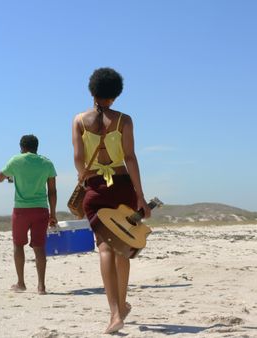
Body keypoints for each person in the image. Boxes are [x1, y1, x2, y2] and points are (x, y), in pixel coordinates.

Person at [72, 67, 151, 334]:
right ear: (115, 95)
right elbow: (130, 158)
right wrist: (140, 195)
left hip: (95, 188)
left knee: (105, 249)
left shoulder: (79, 121)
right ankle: (123, 303)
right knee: (123, 249)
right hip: (122, 187)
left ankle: (115, 313)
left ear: (92, 91)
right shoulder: (124, 120)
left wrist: (84, 180)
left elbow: (78, 159)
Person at [0, 134, 57, 295]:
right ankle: (41, 286)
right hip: (41, 210)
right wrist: (53, 214)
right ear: (37, 147)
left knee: (18, 245)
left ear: (22, 148)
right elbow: (52, 191)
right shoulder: (47, 163)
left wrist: (9, 174)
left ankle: (21, 283)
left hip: (21, 210)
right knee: (39, 248)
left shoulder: (16, 160)